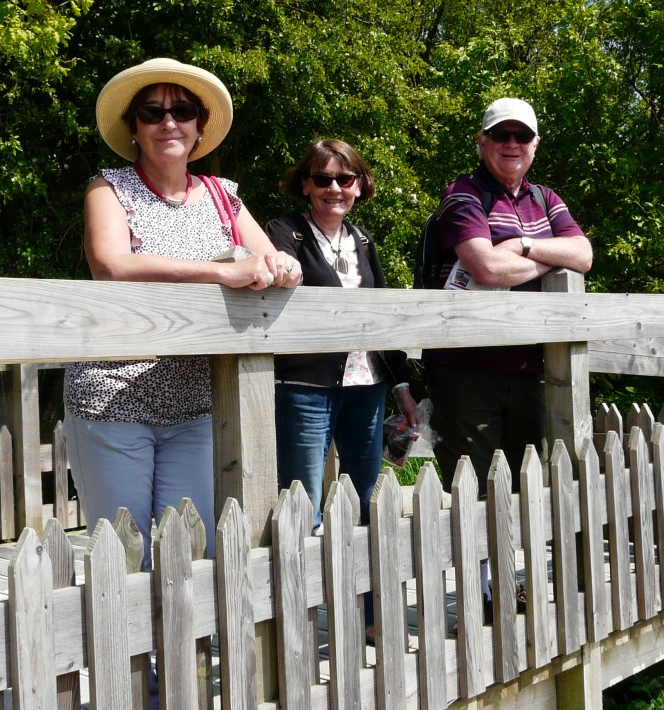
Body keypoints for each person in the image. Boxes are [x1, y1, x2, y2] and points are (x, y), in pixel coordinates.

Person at [63, 58, 303, 572]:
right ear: (134, 129)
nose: (168, 122)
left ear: (198, 127)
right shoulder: (108, 187)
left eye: (182, 111)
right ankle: (126, 657)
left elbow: (267, 259)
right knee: (124, 557)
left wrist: (283, 264)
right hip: (112, 397)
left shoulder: (224, 197)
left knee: (189, 554)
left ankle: (186, 657)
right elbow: (111, 265)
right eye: (152, 112)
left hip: (195, 403)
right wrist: (219, 272)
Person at [423, 97, 593, 496]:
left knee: (526, 488)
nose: (512, 143)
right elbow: (488, 268)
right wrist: (551, 256)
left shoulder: (546, 198)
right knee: (474, 493)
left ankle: (516, 562)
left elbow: (584, 255)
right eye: (502, 134)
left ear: (535, 145)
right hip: (465, 368)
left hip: (530, 368)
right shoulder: (462, 194)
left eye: (522, 135)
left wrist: (521, 246)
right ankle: (476, 563)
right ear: (481, 142)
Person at [265, 139, 420, 530]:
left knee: (364, 498)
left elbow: (381, 315)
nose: (334, 189)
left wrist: (401, 387)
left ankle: (364, 592)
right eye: (323, 179)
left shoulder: (363, 241)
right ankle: (308, 590)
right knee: (304, 501)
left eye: (344, 179)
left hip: (367, 385)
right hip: (304, 385)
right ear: (306, 185)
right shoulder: (285, 232)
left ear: (358, 184)